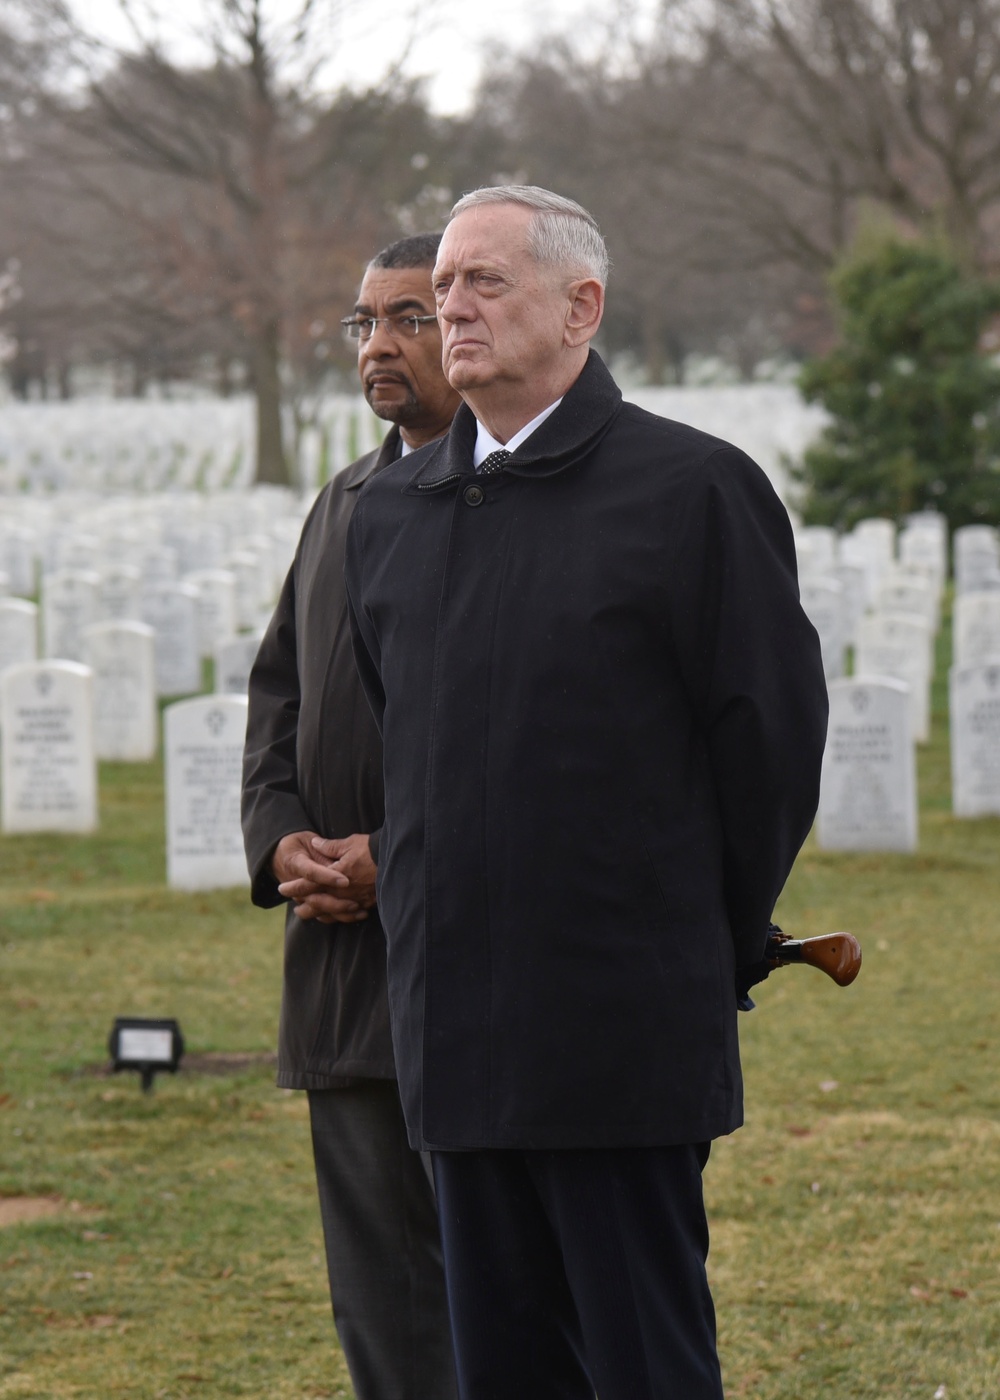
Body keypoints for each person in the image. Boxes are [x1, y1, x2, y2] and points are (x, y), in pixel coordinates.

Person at [344, 188, 829, 1400]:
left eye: (485, 281)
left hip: (619, 1022)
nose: (451, 307)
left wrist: (695, 938)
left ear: (581, 307)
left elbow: (767, 748)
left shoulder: (691, 489)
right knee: (502, 1368)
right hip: (454, 1026)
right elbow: (410, 746)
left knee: (642, 1364)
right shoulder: (390, 512)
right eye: (442, 286)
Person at [241, 232, 460, 1400]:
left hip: (465, 956)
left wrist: (403, 856)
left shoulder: (505, 495)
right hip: (339, 957)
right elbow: (279, 688)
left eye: (408, 317)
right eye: (364, 322)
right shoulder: (344, 499)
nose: (379, 344)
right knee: (380, 1297)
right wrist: (281, 839)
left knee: (501, 1290)